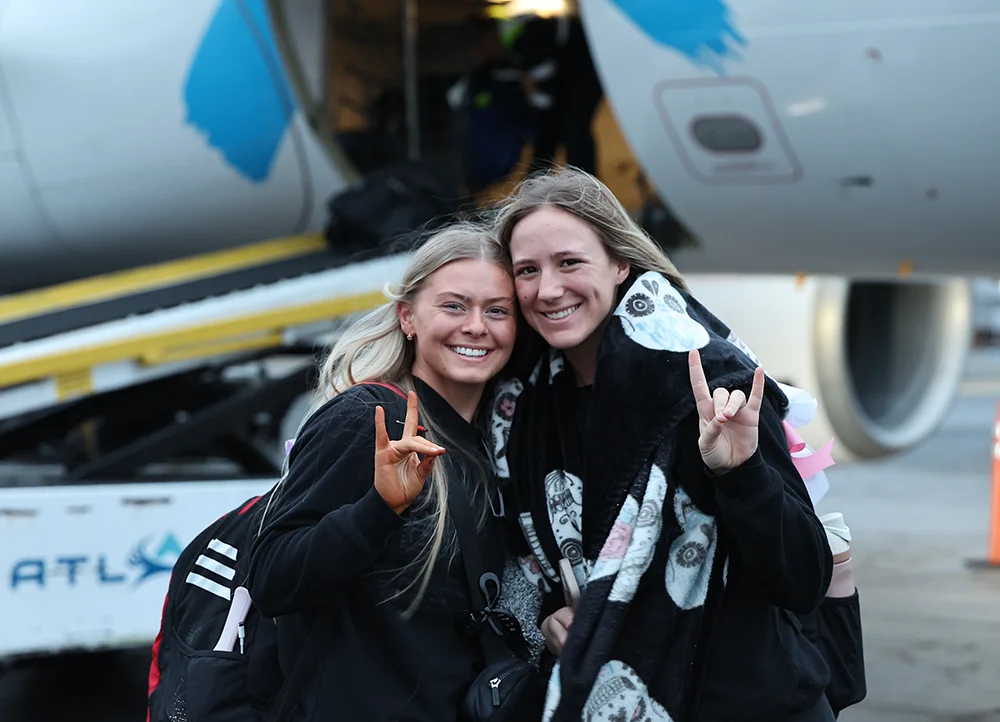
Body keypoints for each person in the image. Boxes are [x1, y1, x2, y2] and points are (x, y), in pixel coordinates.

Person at [487, 168, 837, 721]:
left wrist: (741, 474)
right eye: (527, 270)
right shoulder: (524, 409)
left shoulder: (707, 379)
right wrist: (553, 614)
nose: (547, 289)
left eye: (569, 262)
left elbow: (803, 580)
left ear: (620, 264)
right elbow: (552, 563)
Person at [248, 222, 523, 721]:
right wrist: (378, 510)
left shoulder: (493, 440)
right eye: (454, 306)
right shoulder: (367, 418)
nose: (476, 326)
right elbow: (273, 579)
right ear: (408, 317)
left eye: (497, 310)